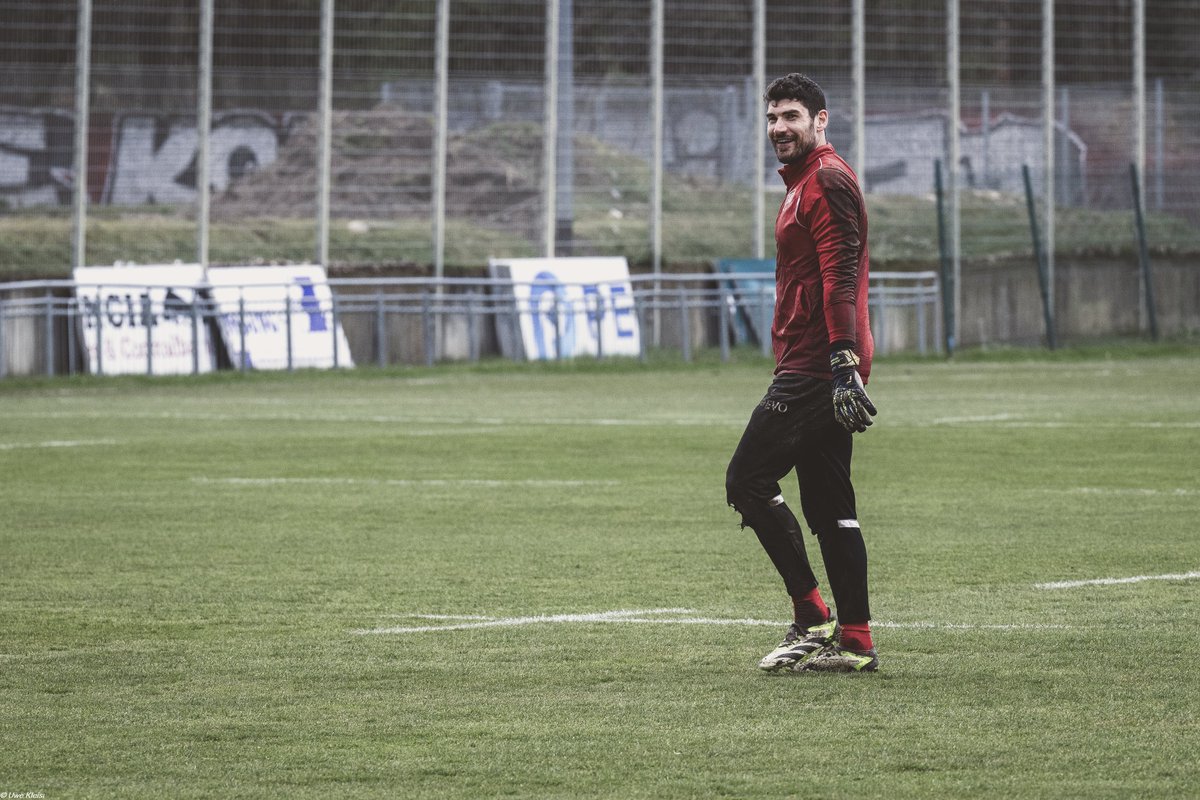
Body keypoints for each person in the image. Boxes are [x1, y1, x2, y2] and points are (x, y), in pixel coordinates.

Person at [725, 73, 879, 673]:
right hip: (817, 360)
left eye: (790, 116)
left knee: (747, 481)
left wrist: (842, 362)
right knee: (829, 505)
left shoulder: (829, 180)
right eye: (771, 118)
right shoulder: (803, 184)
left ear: (821, 120)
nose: (778, 128)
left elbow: (841, 274)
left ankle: (814, 617)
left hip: (818, 365)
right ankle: (857, 638)